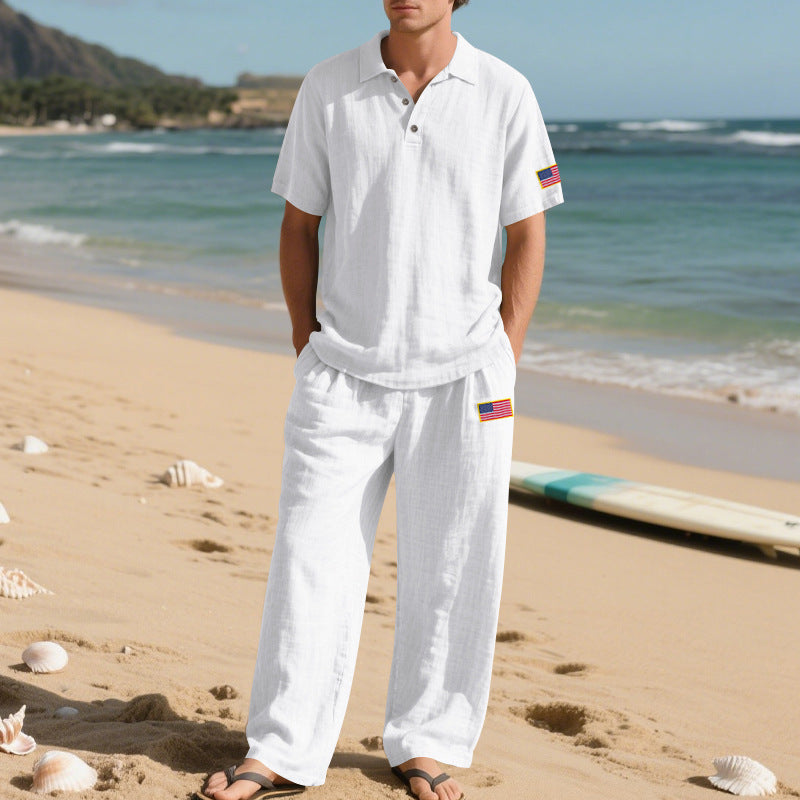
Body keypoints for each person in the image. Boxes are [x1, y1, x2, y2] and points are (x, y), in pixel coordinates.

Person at [197, 1, 563, 798]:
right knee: (309, 560)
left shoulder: (505, 91)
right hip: (342, 375)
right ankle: (281, 748)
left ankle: (427, 744)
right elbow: (299, 225)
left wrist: (503, 358)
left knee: (455, 566)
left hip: (466, 380)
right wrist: (307, 343)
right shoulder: (329, 86)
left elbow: (527, 232)